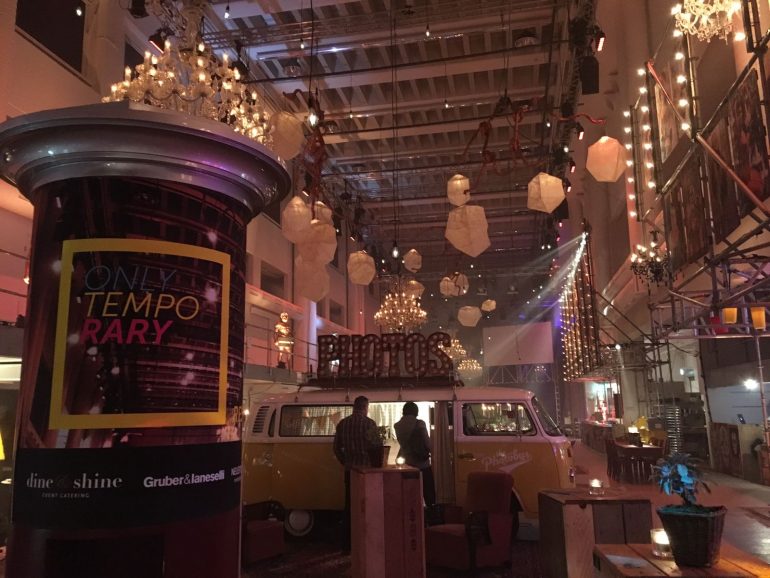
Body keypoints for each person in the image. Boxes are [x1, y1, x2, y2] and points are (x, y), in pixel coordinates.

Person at [333, 395, 381, 552]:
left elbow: (336, 448)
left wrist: (345, 461)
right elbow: (377, 447)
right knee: (368, 506)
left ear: (354, 406)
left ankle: (347, 545)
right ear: (365, 407)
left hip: (350, 471)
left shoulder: (343, 424)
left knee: (349, 507)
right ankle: (366, 543)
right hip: (367, 472)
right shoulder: (369, 424)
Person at [394, 401, 436, 508]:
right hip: (423, 464)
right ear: (416, 411)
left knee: (411, 493)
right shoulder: (420, 424)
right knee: (428, 493)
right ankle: (430, 513)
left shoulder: (397, 426)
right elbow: (427, 443)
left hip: (407, 464)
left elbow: (403, 444)